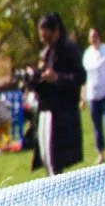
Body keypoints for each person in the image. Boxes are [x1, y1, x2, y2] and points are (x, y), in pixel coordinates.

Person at [31, 13, 85, 175]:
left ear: (56, 32)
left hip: (62, 112)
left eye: (46, 37)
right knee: (45, 156)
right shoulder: (47, 52)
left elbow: (80, 77)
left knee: (55, 158)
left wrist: (57, 78)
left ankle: (59, 192)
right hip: (46, 108)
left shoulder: (69, 49)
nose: (44, 42)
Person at [82, 27, 105, 157]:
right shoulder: (87, 54)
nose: (94, 38)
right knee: (96, 125)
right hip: (92, 95)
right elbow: (85, 78)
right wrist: (82, 98)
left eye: (96, 35)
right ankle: (101, 153)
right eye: (92, 36)